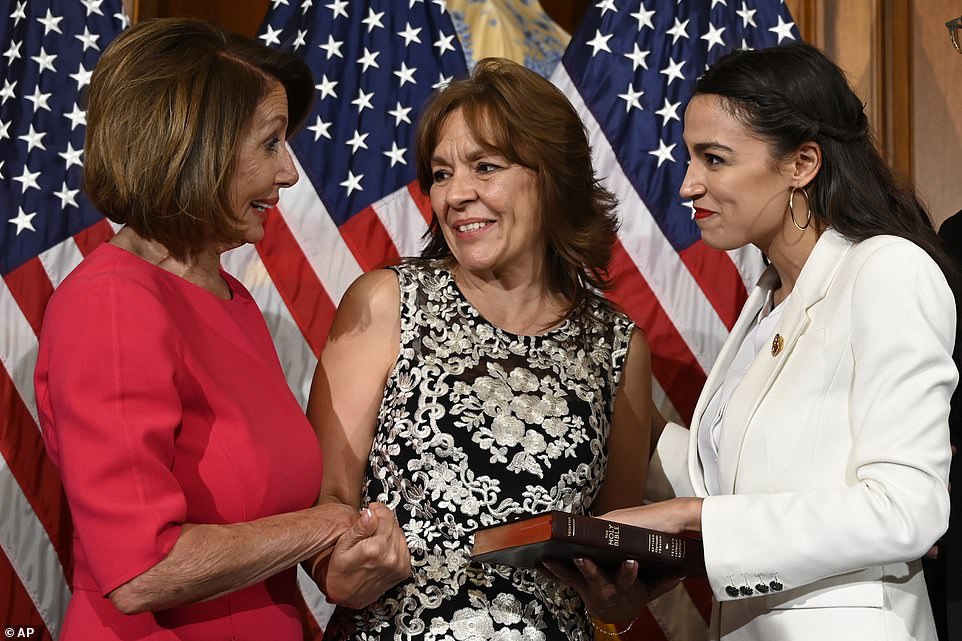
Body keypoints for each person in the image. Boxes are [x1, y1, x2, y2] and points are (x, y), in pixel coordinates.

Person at [556, 43, 958, 641]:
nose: (688, 184)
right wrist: (593, 404)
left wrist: (699, 520)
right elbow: (741, 485)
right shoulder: (767, 299)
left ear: (802, 163)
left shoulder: (887, 271)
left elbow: (908, 509)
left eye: (714, 159)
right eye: (691, 157)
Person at [305, 57, 672, 640]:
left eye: (486, 167)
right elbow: (324, 503)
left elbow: (610, 553)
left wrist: (619, 595)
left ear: (552, 177)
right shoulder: (386, 302)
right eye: (442, 173)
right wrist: (336, 567)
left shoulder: (616, 345)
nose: (456, 194)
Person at [33, 18, 368, 640]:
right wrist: (330, 523)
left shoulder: (230, 296)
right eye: (271, 144)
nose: (290, 173)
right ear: (197, 149)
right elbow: (142, 569)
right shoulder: (112, 304)